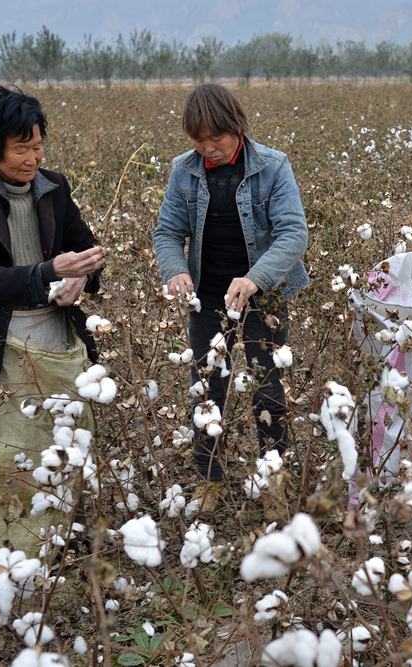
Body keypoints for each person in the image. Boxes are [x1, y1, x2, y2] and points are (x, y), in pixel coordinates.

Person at [0, 84, 105, 556]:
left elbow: (87, 251)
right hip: (0, 340)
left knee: (63, 441)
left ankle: (48, 547)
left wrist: (82, 278)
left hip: (55, 334)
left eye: (38, 145)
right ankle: (6, 550)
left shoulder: (54, 187)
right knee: (7, 452)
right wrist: (49, 271)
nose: (33, 157)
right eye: (21, 148)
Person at [153, 83, 309, 513]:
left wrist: (255, 279)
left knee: (268, 387)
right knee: (207, 387)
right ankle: (209, 480)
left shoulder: (273, 166)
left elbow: (294, 233)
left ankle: (274, 478)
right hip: (207, 296)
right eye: (198, 141)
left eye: (215, 139)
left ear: (236, 127)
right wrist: (176, 269)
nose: (208, 149)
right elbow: (167, 232)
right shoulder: (184, 170)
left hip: (264, 295)